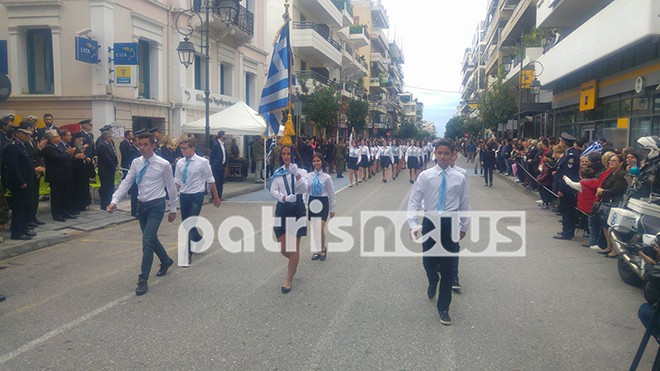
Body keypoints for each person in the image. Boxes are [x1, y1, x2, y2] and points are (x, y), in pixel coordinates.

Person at [408, 139, 470, 325]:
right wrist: (412, 224)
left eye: (447, 153)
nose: (443, 157)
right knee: (429, 261)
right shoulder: (425, 176)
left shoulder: (460, 178)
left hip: (450, 222)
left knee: (449, 268)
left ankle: (444, 307)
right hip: (430, 220)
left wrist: (464, 226)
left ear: (452, 155)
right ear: (435, 154)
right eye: (440, 153)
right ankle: (433, 279)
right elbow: (414, 200)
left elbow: (464, 203)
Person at [108, 132, 178, 296]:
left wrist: (173, 208)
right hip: (142, 206)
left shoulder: (164, 164)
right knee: (151, 238)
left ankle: (143, 279)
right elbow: (127, 182)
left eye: (146, 145)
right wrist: (114, 201)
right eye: (140, 145)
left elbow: (171, 187)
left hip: (156, 206)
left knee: (147, 242)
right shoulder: (136, 163)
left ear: (153, 145)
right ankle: (166, 260)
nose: (142, 148)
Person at [174, 137, 221, 262]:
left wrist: (216, 197)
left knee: (189, 224)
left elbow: (210, 180)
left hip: (197, 195)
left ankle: (187, 253)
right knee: (186, 224)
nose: (183, 151)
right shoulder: (180, 163)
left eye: (185, 148)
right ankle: (200, 240)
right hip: (184, 195)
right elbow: (177, 181)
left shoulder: (202, 162)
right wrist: (173, 197)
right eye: (181, 149)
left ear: (193, 148)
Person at [270, 146, 308, 293]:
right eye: (284, 154)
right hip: (283, 207)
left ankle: (288, 279)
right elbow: (273, 190)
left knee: (293, 247)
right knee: (283, 248)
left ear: (293, 155)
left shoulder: (302, 172)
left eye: (288, 154)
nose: (286, 156)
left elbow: (303, 189)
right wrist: (284, 197)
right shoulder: (278, 173)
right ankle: (294, 261)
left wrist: (296, 174)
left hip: (296, 208)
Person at [2, 122, 38, 240]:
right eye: (25, 133)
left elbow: (28, 163)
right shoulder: (12, 146)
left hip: (28, 180)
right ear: (17, 133)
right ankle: (17, 231)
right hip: (20, 183)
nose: (28, 136)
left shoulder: (23, 145)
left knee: (26, 206)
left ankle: (23, 228)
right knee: (19, 208)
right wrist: (21, 181)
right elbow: (13, 167)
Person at [42, 130, 82, 221]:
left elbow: (66, 157)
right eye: (57, 136)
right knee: (57, 196)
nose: (59, 137)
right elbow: (58, 158)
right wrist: (68, 153)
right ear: (52, 139)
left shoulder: (59, 146)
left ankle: (65, 211)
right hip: (56, 176)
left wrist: (68, 154)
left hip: (65, 174)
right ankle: (57, 214)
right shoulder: (49, 148)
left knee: (65, 195)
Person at [306, 153, 336, 261]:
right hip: (312, 201)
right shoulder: (309, 176)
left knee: (320, 227)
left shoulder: (326, 177)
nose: (316, 163)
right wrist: (305, 203)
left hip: (323, 201)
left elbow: (331, 193)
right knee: (315, 228)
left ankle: (323, 249)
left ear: (322, 162)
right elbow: (306, 190)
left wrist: (332, 209)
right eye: (314, 161)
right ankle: (318, 250)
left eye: (318, 161)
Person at [553, 133, 580, 240]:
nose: (559, 143)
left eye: (560, 141)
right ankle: (566, 229)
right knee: (565, 210)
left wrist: (561, 189)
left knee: (568, 210)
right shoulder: (568, 153)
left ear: (564, 142)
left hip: (568, 188)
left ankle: (568, 232)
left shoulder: (571, 156)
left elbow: (567, 174)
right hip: (565, 186)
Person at [120, 129, 140, 217]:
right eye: (139, 141)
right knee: (134, 193)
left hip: (139, 175)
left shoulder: (137, 149)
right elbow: (133, 162)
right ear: (135, 141)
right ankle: (134, 211)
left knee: (138, 193)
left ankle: (137, 210)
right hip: (135, 174)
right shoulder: (132, 150)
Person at [96, 128, 118, 210]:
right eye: (110, 136)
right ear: (106, 137)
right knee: (105, 187)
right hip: (105, 170)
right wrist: (113, 166)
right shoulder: (102, 145)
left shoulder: (108, 144)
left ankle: (109, 202)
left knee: (110, 187)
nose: (111, 138)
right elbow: (107, 158)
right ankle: (104, 204)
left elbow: (113, 155)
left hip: (110, 170)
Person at [210, 130, 227, 199]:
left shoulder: (223, 144)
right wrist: (213, 164)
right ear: (222, 135)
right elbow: (212, 156)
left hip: (222, 165)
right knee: (216, 181)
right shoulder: (216, 145)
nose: (226, 136)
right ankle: (214, 196)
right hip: (216, 166)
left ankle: (219, 195)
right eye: (225, 134)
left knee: (221, 182)